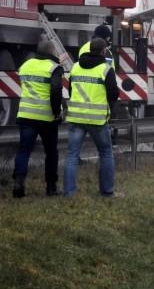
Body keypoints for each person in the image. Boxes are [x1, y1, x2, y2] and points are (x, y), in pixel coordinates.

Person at [64, 37, 119, 197]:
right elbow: (113, 94)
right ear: (103, 51)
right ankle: (107, 191)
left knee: (72, 155)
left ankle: (69, 192)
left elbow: (70, 91)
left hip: (76, 118)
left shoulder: (75, 68)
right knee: (106, 153)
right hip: (97, 120)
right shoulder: (106, 69)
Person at [12, 40, 64, 198]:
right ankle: (51, 187)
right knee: (51, 152)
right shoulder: (54, 67)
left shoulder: (25, 65)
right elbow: (56, 90)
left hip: (26, 116)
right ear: (51, 51)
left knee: (24, 151)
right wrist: (57, 112)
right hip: (46, 117)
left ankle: (18, 185)